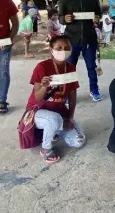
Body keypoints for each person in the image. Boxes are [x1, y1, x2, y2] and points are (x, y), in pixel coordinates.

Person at [25, 35, 85, 164]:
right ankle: (46, 148)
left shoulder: (70, 68)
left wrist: (69, 117)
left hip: (59, 112)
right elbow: (38, 97)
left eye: (66, 47)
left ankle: (54, 131)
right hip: (37, 112)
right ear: (51, 49)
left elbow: (73, 95)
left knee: (78, 141)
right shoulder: (42, 67)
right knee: (53, 119)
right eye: (58, 48)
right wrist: (44, 87)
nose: (63, 50)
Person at [58, 0, 103, 102]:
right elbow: (60, 18)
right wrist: (65, 19)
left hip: (89, 38)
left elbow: (99, 14)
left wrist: (97, 18)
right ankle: (67, 93)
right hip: (71, 39)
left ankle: (94, 90)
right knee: (70, 67)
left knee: (91, 66)